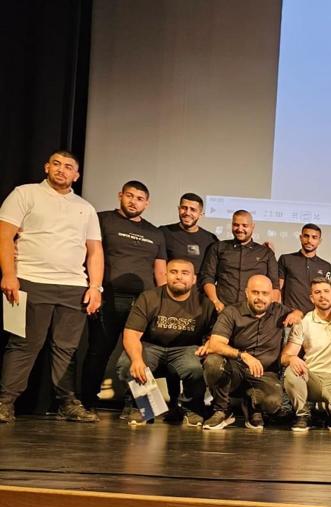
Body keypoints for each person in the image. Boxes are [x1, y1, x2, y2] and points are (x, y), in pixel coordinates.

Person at [0, 150, 102, 425]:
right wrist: (9, 274)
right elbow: (5, 236)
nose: (61, 169)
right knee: (24, 344)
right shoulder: (25, 194)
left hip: (73, 286)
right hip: (31, 280)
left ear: (76, 175)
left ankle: (67, 403)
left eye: (68, 167)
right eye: (56, 164)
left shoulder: (85, 208)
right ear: (47, 167)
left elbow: (95, 251)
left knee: (66, 348)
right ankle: (5, 401)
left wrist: (95, 287)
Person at [83, 180, 166, 410]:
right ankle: (86, 404)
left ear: (147, 203)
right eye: (129, 196)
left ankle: (141, 407)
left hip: (144, 303)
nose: (133, 202)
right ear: (120, 195)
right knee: (99, 351)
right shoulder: (102, 220)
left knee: (140, 354)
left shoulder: (155, 232)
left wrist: (164, 302)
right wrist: (93, 288)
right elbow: (89, 253)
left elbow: (160, 271)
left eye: (139, 198)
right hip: (108, 298)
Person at [117, 258, 215, 427]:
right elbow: (131, 333)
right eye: (174, 272)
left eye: (185, 273)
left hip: (185, 349)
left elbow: (214, 336)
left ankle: (191, 408)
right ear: (166, 275)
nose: (179, 277)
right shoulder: (149, 298)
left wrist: (208, 346)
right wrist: (137, 359)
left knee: (197, 368)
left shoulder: (205, 304)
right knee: (127, 364)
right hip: (151, 347)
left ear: (194, 279)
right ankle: (145, 409)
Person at [202, 275, 292, 430]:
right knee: (213, 362)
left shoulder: (280, 311)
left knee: (273, 403)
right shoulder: (232, 312)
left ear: (272, 295)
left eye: (265, 293)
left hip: (265, 373)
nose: (260, 298)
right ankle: (222, 410)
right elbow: (215, 344)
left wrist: (296, 314)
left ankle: (251, 406)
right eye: (255, 292)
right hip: (236, 368)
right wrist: (243, 355)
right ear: (246, 293)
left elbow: (298, 313)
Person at [281, 277, 331, 432]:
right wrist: (292, 358)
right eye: (317, 292)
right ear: (312, 298)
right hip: (312, 378)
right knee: (291, 371)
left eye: (326, 291)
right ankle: (303, 415)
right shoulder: (305, 322)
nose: (322, 296)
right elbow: (285, 357)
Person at [200, 210, 279, 312]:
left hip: (254, 313)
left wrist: (269, 312)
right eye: (236, 225)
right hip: (222, 310)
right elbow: (207, 278)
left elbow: (274, 286)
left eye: (244, 225)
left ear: (252, 226)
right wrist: (215, 301)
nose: (240, 229)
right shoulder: (218, 247)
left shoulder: (265, 253)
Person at [157, 193, 217, 281]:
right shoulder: (164, 232)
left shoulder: (211, 239)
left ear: (200, 214)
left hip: (198, 289)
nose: (187, 213)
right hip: (170, 287)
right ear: (179, 209)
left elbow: (211, 272)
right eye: (184, 208)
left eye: (193, 210)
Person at [278, 223, 331, 314]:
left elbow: (325, 294)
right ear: (300, 237)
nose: (309, 240)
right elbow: (278, 289)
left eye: (314, 237)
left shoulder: (326, 266)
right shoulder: (286, 259)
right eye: (306, 236)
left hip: (314, 318)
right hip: (289, 315)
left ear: (319, 241)